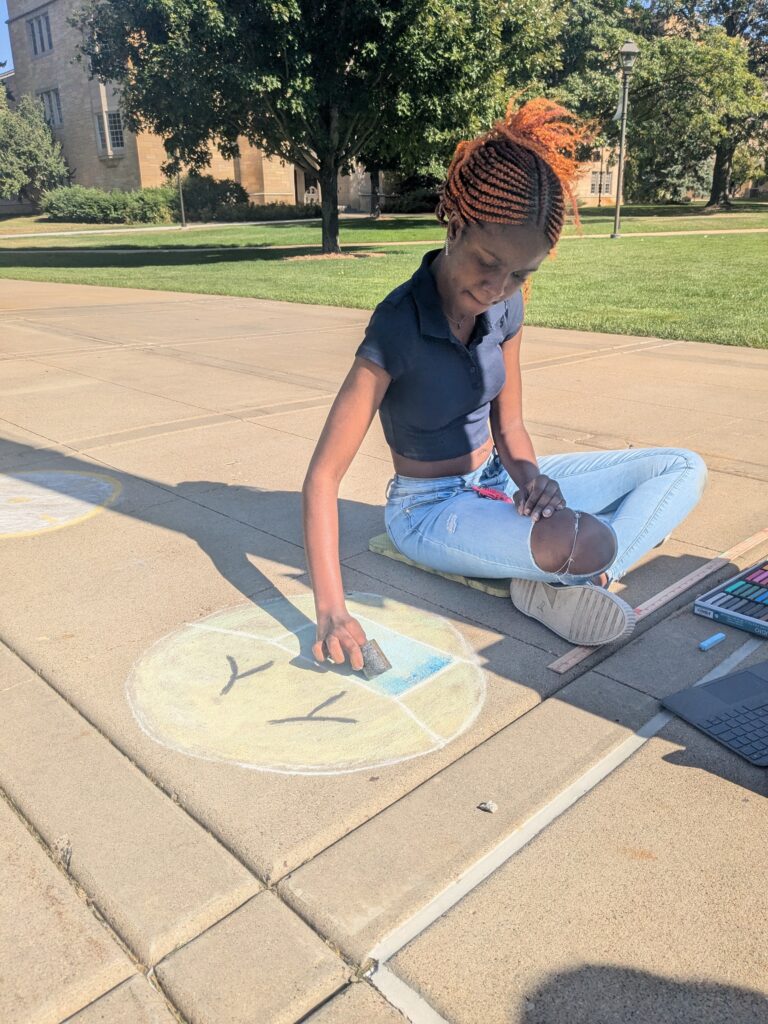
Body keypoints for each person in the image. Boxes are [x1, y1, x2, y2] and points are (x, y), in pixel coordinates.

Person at [302, 98, 707, 670]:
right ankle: (572, 566)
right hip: (429, 511)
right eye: (487, 262)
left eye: (520, 273)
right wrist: (332, 611)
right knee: (583, 541)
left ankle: (570, 579)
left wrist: (532, 479)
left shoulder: (506, 309)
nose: (497, 286)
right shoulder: (397, 325)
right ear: (456, 222)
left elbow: (509, 424)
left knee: (682, 468)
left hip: (499, 482)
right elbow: (323, 477)